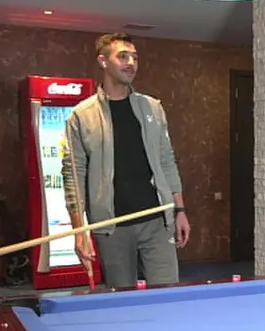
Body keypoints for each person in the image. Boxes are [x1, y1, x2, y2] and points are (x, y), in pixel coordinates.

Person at [61, 32, 190, 288]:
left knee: (168, 294)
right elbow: (73, 175)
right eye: (122, 56)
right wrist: (79, 232)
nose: (131, 63)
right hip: (112, 226)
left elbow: (167, 161)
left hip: (157, 219)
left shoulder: (152, 107)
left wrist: (180, 211)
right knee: (122, 297)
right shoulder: (82, 115)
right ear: (103, 61)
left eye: (135, 57)